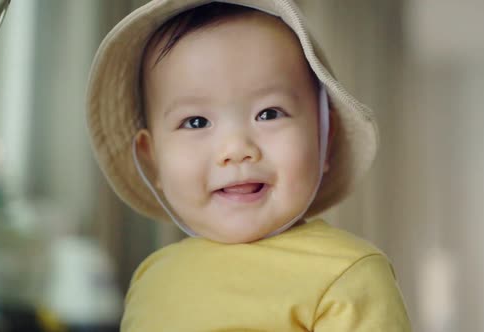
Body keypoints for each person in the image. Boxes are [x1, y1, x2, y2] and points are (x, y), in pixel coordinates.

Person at [86, 0, 411, 330]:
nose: (236, 149)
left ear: (323, 138)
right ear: (151, 159)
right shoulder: (151, 278)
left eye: (269, 113)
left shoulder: (348, 274)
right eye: (196, 122)